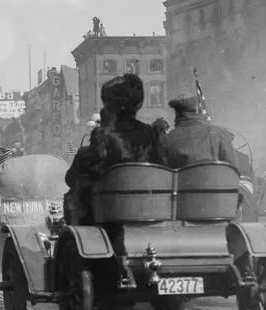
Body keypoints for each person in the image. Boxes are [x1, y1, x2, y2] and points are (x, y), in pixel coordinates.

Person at [64, 74, 165, 223]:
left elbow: (73, 177)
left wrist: (83, 155)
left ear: (111, 106)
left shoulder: (103, 135)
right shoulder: (151, 133)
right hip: (149, 210)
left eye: (106, 102)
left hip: (111, 214)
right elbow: (162, 167)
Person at [160, 94, 238, 168]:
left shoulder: (166, 140)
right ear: (197, 110)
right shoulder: (220, 134)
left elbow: (163, 172)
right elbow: (232, 170)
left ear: (176, 113)